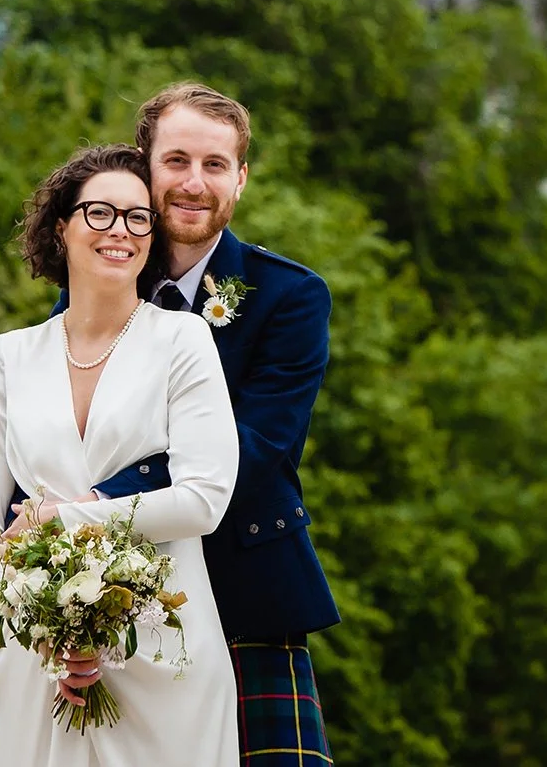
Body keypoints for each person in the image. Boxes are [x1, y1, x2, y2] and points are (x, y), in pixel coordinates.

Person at [59, 83, 340, 764]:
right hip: (115, 597)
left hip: (242, 593)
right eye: (176, 160)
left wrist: (102, 501)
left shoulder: (288, 298)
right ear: (142, 167)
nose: (193, 182)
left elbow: (254, 448)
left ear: (240, 179)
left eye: (215, 165)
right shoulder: (93, 284)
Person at [0, 143, 240, 766]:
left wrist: (62, 518)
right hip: (39, 659)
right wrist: (39, 613)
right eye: (101, 214)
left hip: (162, 649)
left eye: (139, 217)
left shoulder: (183, 340)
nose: (121, 232)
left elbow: (203, 499)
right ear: (62, 227)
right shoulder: (12, 355)